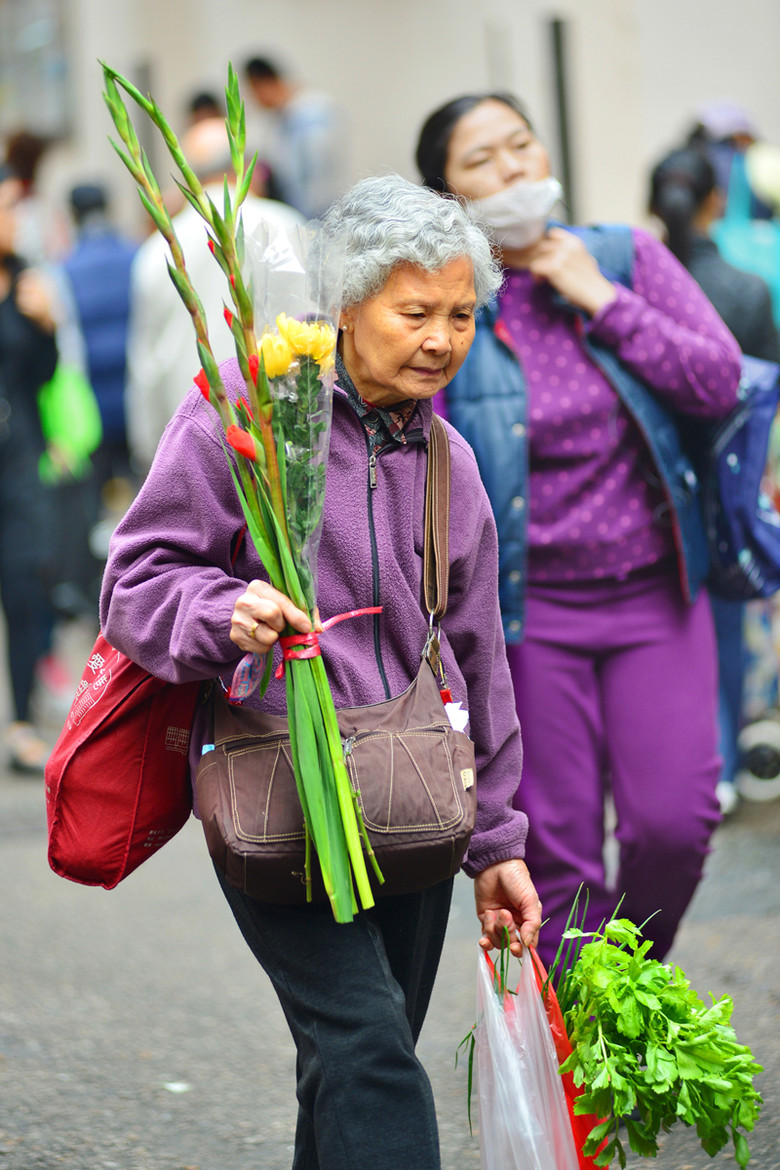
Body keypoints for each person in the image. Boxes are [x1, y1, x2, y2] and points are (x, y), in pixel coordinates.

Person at [99, 173, 541, 1169]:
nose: (442, 338)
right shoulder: (246, 419)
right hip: (275, 790)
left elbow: (480, 658)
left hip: (416, 801)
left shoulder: (452, 464)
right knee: (371, 1050)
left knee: (346, 1060)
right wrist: (225, 611)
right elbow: (136, 583)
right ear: (346, 305)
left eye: (463, 315)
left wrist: (500, 841)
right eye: (416, 310)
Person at [415, 92, 743, 968]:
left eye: (520, 144)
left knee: (677, 821)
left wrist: (601, 299)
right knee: (555, 853)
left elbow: (718, 381)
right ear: (446, 192)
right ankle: (583, 1071)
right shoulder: (448, 302)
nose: (513, 167)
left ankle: (622, 995)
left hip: (656, 592)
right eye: (482, 159)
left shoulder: (624, 258)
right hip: (529, 617)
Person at [650, 143, 780, 814]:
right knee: (726, 630)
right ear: (716, 202)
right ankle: (724, 771)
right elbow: (761, 400)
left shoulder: (631, 286)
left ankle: (681, 772)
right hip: (727, 486)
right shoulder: (748, 287)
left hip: (647, 491)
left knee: (660, 636)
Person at [125, 116, 304, 473]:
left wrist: (147, 449)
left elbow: (145, 364)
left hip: (189, 441)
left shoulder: (156, 249)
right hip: (284, 432)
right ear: (253, 167)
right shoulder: (287, 225)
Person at [0, 165, 59, 771]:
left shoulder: (24, 283)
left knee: (22, 588)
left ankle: (19, 722)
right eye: (7, 208)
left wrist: (47, 328)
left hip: (18, 462)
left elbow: (43, 376)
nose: (14, 221)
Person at [243, 55, 348, 218]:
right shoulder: (282, 117)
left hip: (318, 216)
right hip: (302, 213)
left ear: (263, 84)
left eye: (254, 93)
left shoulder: (312, 115)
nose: (256, 102)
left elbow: (317, 179)